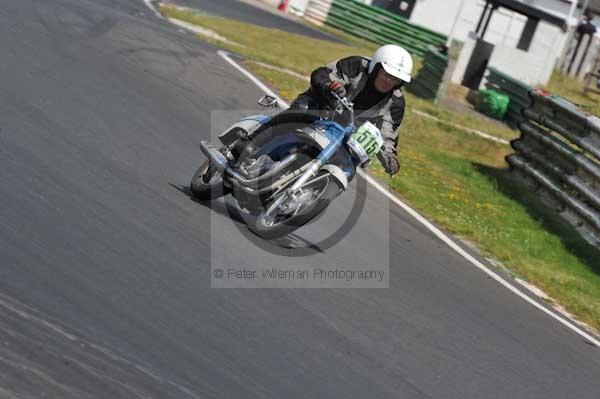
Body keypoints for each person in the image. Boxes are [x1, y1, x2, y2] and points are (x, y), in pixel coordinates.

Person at [287, 44, 413, 176]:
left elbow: (388, 135)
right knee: (302, 110)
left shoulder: (396, 102)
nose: (388, 81)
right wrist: (330, 87)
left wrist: (391, 158)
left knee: (350, 169)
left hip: (349, 134)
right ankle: (265, 135)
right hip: (323, 108)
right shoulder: (357, 65)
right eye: (386, 74)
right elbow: (323, 74)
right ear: (376, 68)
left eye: (395, 79)